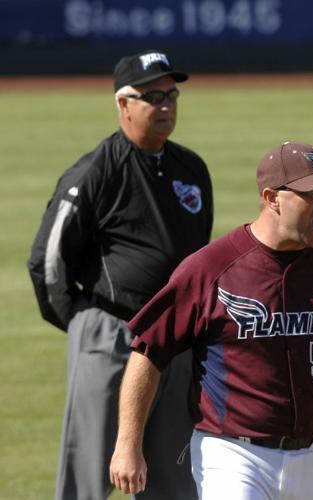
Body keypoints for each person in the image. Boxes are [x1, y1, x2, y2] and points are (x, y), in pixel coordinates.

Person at [109, 142, 313, 500]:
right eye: (311, 192)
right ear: (272, 198)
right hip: (233, 455)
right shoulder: (211, 269)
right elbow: (148, 352)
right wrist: (127, 444)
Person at [28, 49, 213, 500]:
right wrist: (82, 324)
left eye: (172, 94)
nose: (166, 105)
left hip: (175, 341)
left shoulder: (192, 170)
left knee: (174, 481)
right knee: (86, 479)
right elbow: (48, 261)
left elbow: (200, 261)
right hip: (112, 334)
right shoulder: (94, 172)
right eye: (152, 96)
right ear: (123, 104)